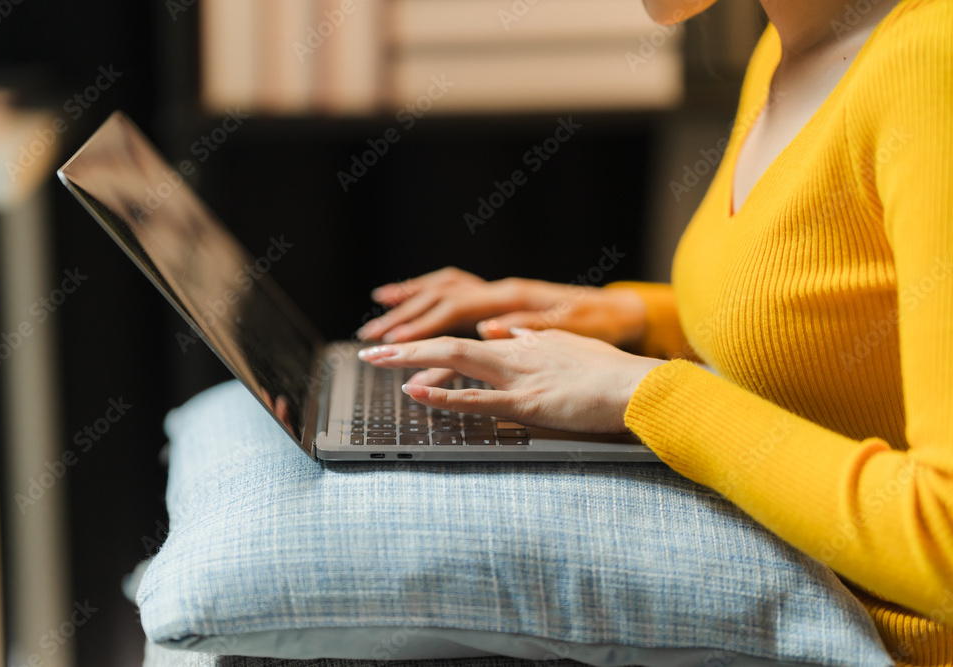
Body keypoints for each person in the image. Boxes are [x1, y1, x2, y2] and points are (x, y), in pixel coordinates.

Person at [356, 0, 953, 663]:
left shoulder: (932, 64)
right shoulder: (792, 38)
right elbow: (843, 324)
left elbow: (945, 547)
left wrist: (645, 390)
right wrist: (630, 319)